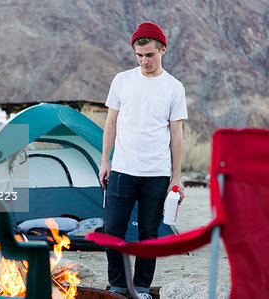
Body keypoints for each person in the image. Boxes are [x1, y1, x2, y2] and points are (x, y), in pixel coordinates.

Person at [98, 21, 188, 298]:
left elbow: (177, 133)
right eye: (139, 55)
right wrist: (105, 161)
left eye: (149, 55)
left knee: (149, 233)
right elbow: (111, 123)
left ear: (163, 50)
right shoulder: (122, 80)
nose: (144, 61)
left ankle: (140, 288)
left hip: (157, 173)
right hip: (123, 169)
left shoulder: (174, 87)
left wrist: (176, 176)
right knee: (113, 229)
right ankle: (117, 286)